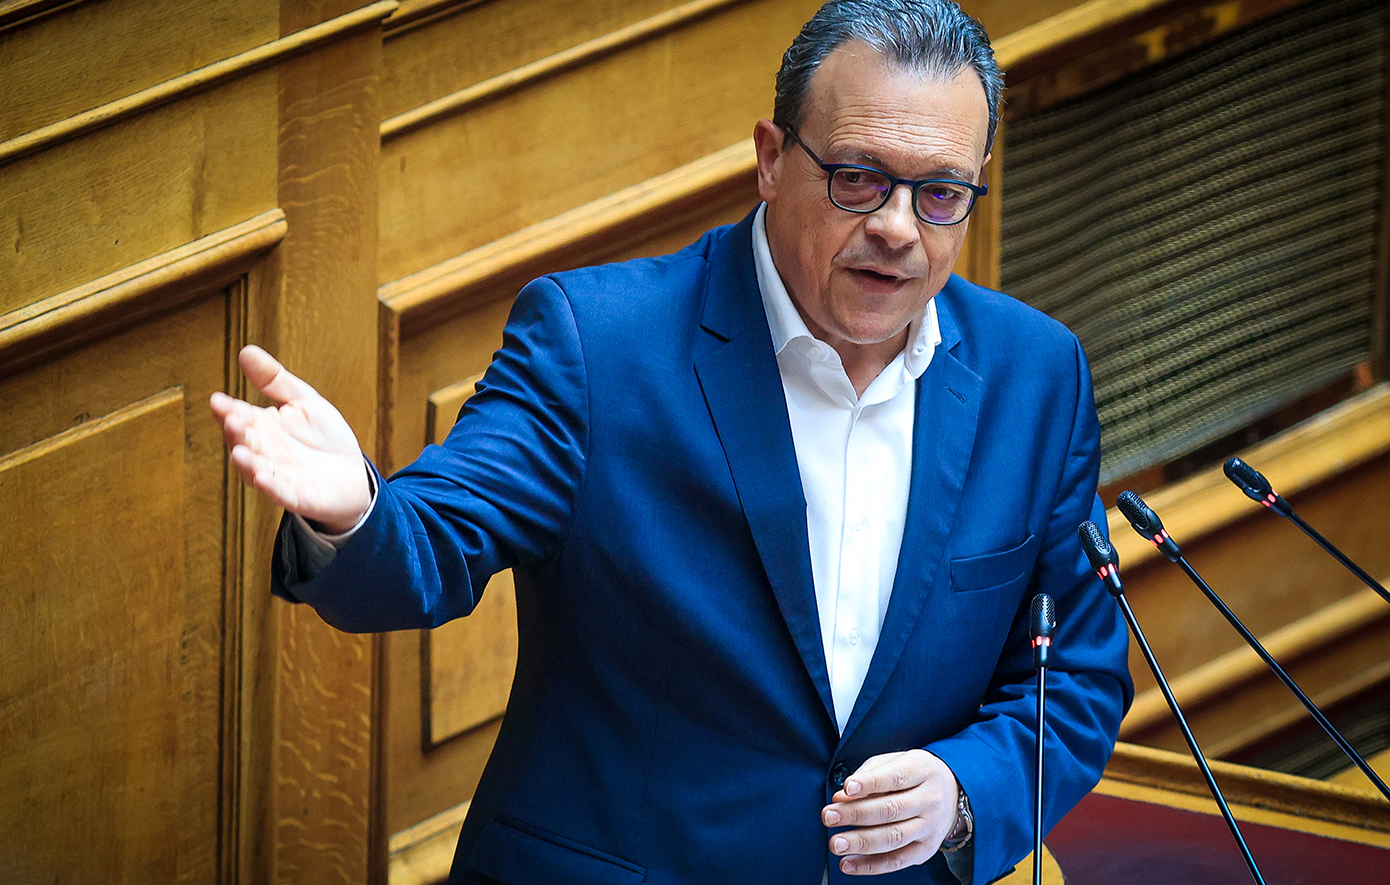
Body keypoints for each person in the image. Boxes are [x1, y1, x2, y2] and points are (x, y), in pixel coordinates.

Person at [210, 1, 1132, 882]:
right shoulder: (598, 344)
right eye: (858, 178)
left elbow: (1078, 679)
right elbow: (432, 540)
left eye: (940, 194)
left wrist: (967, 791)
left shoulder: (1036, 376)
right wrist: (357, 513)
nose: (897, 228)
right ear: (771, 159)